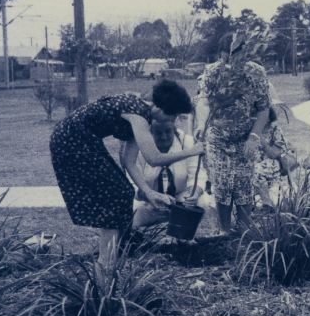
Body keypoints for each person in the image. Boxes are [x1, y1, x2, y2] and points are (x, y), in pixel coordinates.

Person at [49, 80, 202, 284]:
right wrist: (193, 151)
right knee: (116, 194)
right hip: (72, 139)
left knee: (124, 190)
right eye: (171, 115)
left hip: (78, 138)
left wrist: (148, 192)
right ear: (159, 107)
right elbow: (153, 158)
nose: (172, 120)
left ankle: (114, 254)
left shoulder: (138, 114)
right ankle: (106, 263)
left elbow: (130, 162)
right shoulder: (139, 116)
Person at [194, 27, 272, 236]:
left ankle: (245, 229)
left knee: (244, 181)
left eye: (236, 54)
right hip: (218, 137)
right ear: (220, 54)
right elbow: (204, 102)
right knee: (222, 181)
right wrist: (202, 125)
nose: (230, 59)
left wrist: (254, 137)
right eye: (226, 54)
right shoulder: (212, 72)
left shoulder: (256, 72)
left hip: (245, 136)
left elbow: (264, 109)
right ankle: (224, 230)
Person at [130, 115, 203, 229]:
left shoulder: (187, 142)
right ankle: (139, 236)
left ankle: (184, 234)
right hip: (149, 201)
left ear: (174, 128)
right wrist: (150, 195)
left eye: (168, 131)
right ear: (150, 132)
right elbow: (132, 184)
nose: (164, 137)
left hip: (180, 199)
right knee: (129, 209)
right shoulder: (138, 145)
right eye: (158, 133)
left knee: (204, 202)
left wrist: (194, 192)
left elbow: (198, 174)